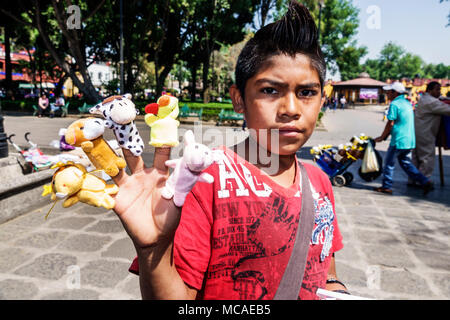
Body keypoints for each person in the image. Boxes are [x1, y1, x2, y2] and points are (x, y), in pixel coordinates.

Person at [112, 2, 347, 300]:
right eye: (270, 90)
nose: (291, 109)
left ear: (321, 100)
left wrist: (339, 290)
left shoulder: (320, 182)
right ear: (239, 100)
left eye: (307, 93)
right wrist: (155, 249)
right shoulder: (203, 180)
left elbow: (325, 267)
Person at [374, 82, 433, 195]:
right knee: (406, 163)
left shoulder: (395, 104)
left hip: (399, 140)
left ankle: (386, 186)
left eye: (389, 92)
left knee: (389, 163)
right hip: (409, 140)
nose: (387, 94)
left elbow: (390, 123)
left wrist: (382, 137)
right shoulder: (407, 103)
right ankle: (425, 181)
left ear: (395, 93)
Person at [411, 81, 450, 181]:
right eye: (437, 90)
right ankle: (423, 180)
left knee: (416, 157)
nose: (439, 92)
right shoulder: (432, 102)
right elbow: (447, 110)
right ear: (429, 90)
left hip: (418, 131)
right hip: (426, 133)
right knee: (427, 157)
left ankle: (413, 179)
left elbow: (440, 100)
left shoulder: (424, 98)